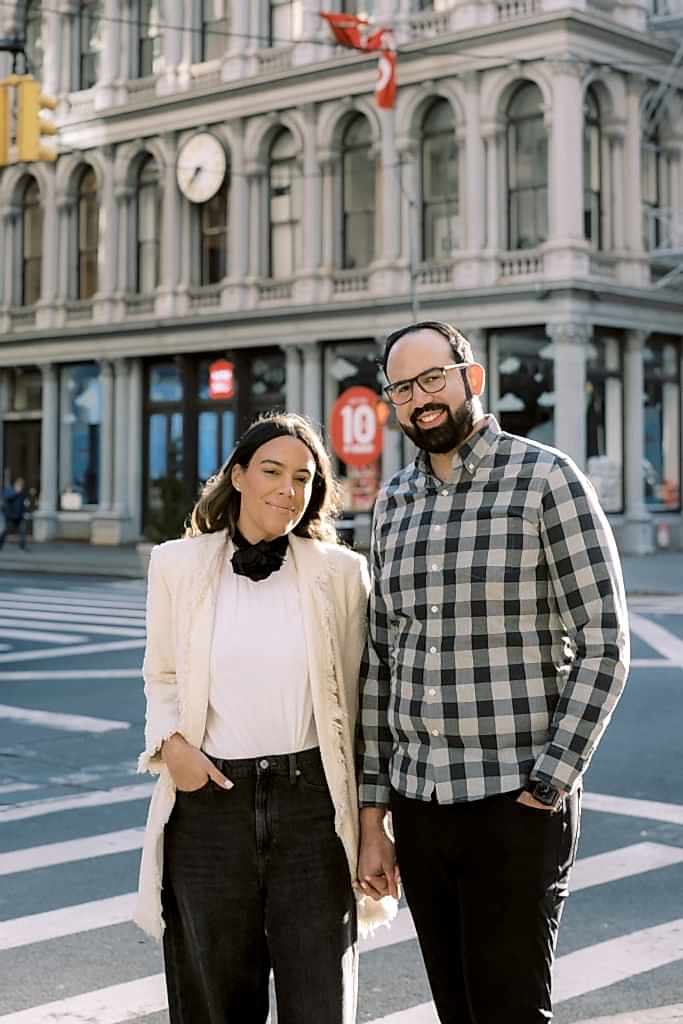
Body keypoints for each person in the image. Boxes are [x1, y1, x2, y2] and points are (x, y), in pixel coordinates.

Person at [357, 321, 630, 1023]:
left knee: (508, 1012)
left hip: (515, 801)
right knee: (456, 1009)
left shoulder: (545, 479)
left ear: (469, 377)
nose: (419, 399)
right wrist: (372, 812)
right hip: (420, 810)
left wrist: (548, 783)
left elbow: (604, 640)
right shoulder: (390, 504)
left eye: (431, 379)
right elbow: (380, 663)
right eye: (401, 389)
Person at [135, 412, 395, 1024]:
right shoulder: (177, 565)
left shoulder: (340, 574)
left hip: (311, 810)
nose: (288, 489)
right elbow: (161, 674)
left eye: (303, 478)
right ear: (238, 476)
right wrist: (172, 745)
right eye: (273, 472)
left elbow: (363, 705)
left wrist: (373, 824)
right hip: (209, 808)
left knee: (319, 1003)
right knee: (213, 1004)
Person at [0, 477, 29, 551]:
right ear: (15, 484)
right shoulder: (9, 490)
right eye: (20, 484)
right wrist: (16, 492)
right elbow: (6, 497)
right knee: (5, 531)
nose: (21, 486)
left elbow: (22, 505)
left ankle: (22, 546)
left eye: (22, 485)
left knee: (23, 531)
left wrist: (25, 513)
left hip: (19, 516)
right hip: (10, 516)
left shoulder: (22, 493)